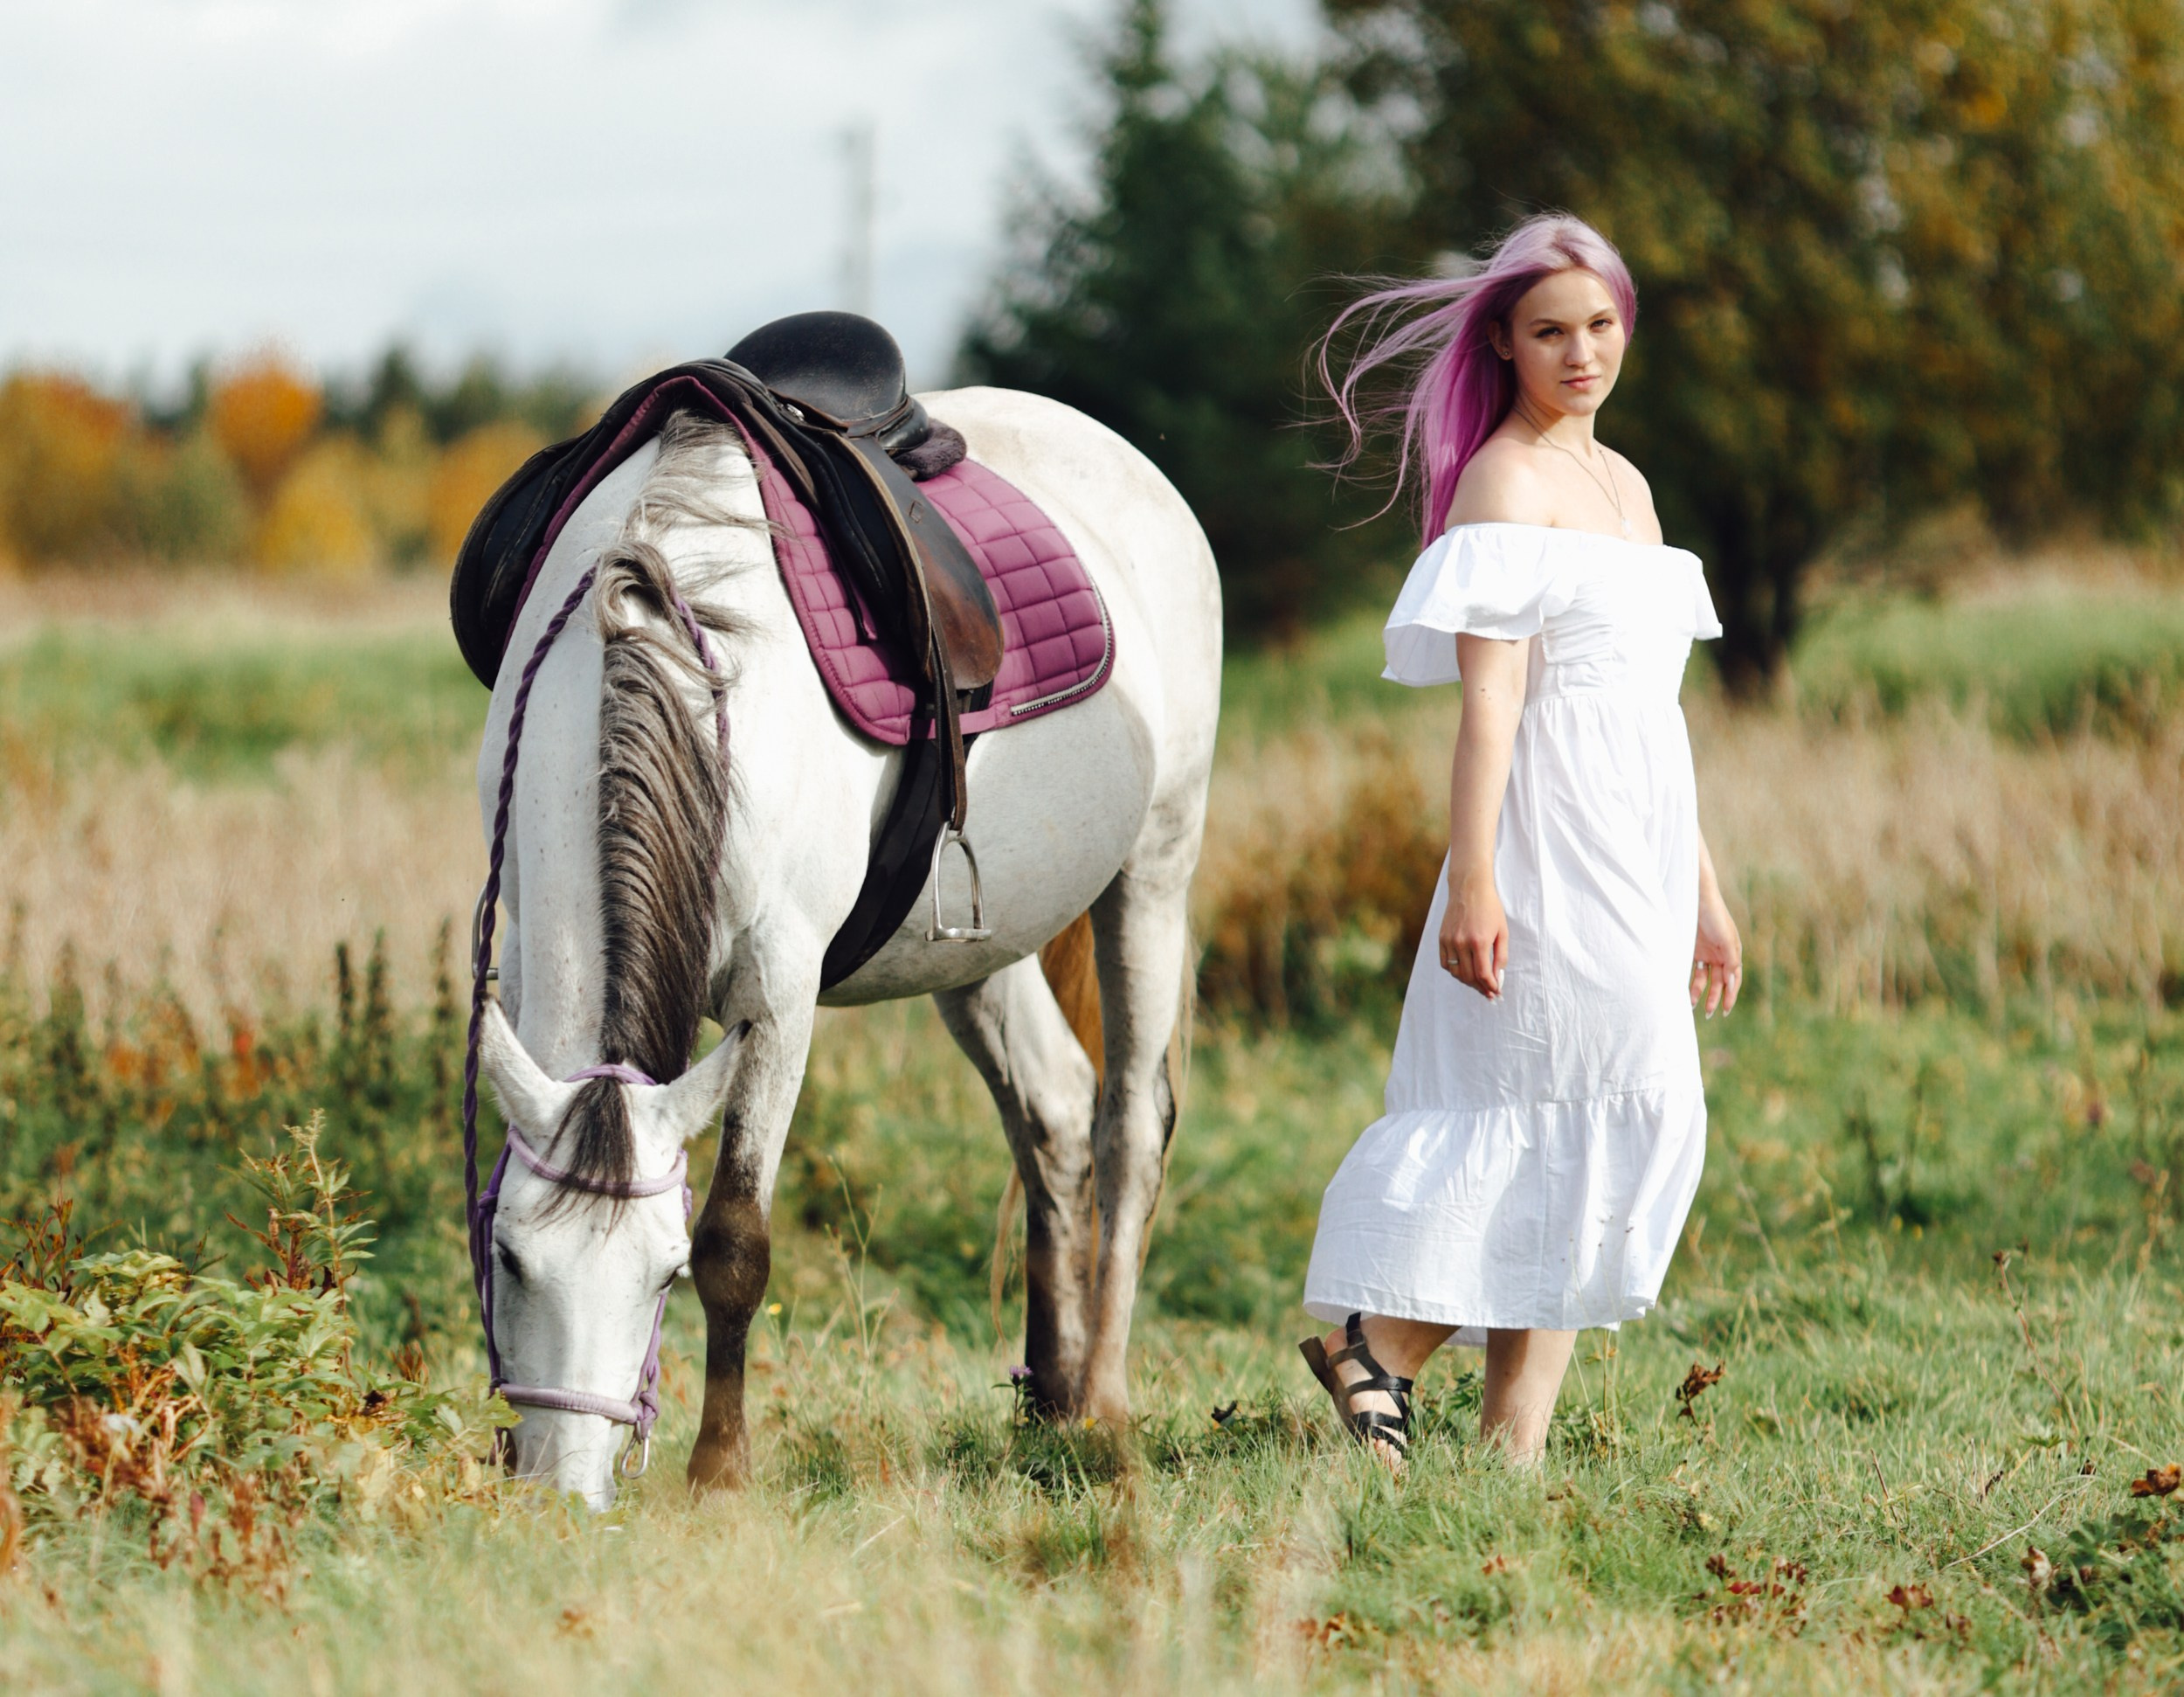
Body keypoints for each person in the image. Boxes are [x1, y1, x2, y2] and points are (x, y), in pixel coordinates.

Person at [1297, 212, 1743, 1470]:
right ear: (1503, 340)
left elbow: (1654, 718)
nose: (1580, 352)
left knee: (1590, 1128)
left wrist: (1704, 892)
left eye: (1600, 325)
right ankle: (1376, 1345)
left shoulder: (1629, 484)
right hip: (1550, 840)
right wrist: (1475, 881)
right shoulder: (1505, 480)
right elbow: (1490, 703)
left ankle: (1511, 1459)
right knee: (1574, 1105)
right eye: (1549, 331)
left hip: (1639, 846)